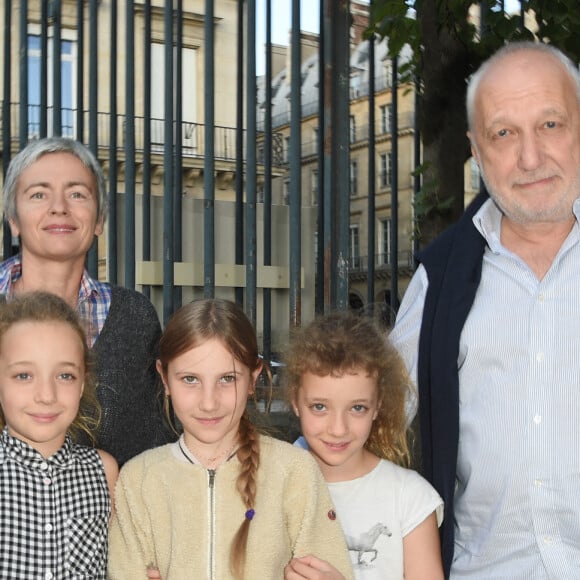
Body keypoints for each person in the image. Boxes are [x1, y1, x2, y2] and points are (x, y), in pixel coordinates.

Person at [389, 41, 580, 579]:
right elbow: (373, 411)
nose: (530, 158)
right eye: (503, 133)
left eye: (550, 125)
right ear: (475, 147)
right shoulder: (441, 277)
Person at [108, 298, 354, 579]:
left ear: (253, 378)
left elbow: (329, 569)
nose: (209, 402)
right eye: (190, 379)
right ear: (164, 379)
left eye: (227, 378)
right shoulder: (138, 479)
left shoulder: (294, 471)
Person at [1, 136, 174, 465]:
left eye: (77, 193)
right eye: (39, 194)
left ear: (98, 221)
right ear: (13, 219)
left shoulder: (134, 318)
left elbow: (154, 446)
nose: (59, 207)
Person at [284, 312, 444, 580]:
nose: (338, 429)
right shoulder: (270, 482)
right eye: (320, 407)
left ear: (378, 404)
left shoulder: (410, 498)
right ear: (294, 401)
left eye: (357, 408)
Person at [0, 291, 118, 578]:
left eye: (65, 375)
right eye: (24, 376)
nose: (46, 395)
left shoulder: (104, 470)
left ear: (81, 385)